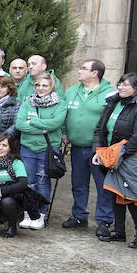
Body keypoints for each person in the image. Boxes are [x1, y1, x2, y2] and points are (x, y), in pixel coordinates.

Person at [92, 73, 137, 247]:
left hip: (130, 158)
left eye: (126, 85)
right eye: (120, 84)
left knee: (132, 197)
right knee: (115, 193)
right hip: (111, 156)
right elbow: (100, 129)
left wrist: (119, 155)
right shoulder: (112, 103)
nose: (121, 87)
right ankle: (119, 231)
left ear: (136, 88)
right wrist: (100, 151)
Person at [59, 59, 115, 232]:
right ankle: (79, 216)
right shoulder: (72, 91)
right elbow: (63, 113)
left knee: (103, 185)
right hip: (76, 146)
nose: (79, 71)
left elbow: (112, 121)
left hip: (99, 149)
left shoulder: (110, 94)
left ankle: (104, 220)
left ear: (95, 73)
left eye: (83, 68)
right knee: (78, 184)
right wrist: (63, 132)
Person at [15, 72, 66, 229]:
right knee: (29, 182)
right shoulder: (27, 102)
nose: (41, 88)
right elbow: (20, 124)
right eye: (38, 85)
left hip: (47, 149)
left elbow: (56, 123)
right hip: (28, 148)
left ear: (52, 87)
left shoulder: (60, 104)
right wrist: (43, 128)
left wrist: (33, 122)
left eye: (45, 85)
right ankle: (29, 213)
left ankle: (41, 215)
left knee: (43, 182)